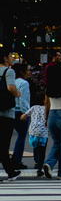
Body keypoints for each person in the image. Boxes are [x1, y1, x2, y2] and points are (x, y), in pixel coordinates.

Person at [0, 49, 22, 181]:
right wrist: (18, 93)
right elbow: (11, 88)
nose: (12, 58)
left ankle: (10, 170)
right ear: (4, 58)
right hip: (6, 112)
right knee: (4, 144)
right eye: (10, 56)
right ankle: (10, 171)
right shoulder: (9, 71)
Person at [21, 90, 48, 177]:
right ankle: (39, 169)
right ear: (44, 100)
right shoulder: (47, 108)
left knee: (36, 147)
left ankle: (37, 162)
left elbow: (23, 117)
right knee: (42, 151)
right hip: (43, 132)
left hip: (32, 132)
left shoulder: (33, 107)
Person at [11, 63, 31, 169]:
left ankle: (9, 160)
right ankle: (16, 160)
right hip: (20, 112)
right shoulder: (24, 83)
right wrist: (26, 113)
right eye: (27, 70)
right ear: (22, 72)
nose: (29, 72)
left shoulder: (10, 82)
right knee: (21, 137)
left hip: (10, 111)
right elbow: (23, 100)